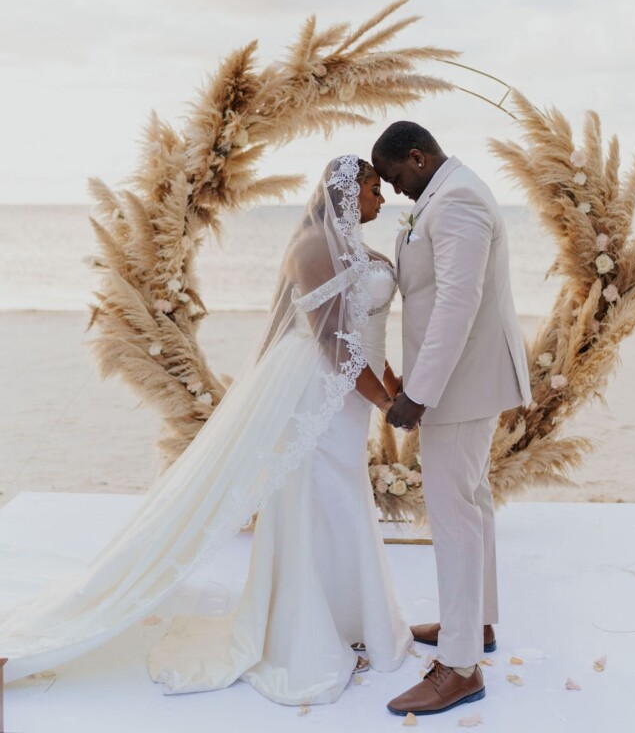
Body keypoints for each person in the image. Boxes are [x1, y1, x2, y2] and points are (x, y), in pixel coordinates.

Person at [0, 155, 412, 706]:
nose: (381, 201)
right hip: (316, 389)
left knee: (341, 498)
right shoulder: (313, 247)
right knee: (314, 497)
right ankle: (303, 628)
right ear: (347, 193)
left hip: (348, 395)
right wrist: (387, 402)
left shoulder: (357, 248)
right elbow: (336, 342)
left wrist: (393, 388)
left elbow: (369, 332)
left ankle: (351, 614)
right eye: (373, 191)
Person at [372, 122, 532, 716]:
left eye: (395, 178)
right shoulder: (446, 191)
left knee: (453, 511)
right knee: (472, 498)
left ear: (418, 157)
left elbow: (457, 300)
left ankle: (461, 668)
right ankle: (479, 623)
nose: (395, 192)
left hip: (458, 385)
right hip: (465, 380)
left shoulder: (458, 197)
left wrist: (418, 392)